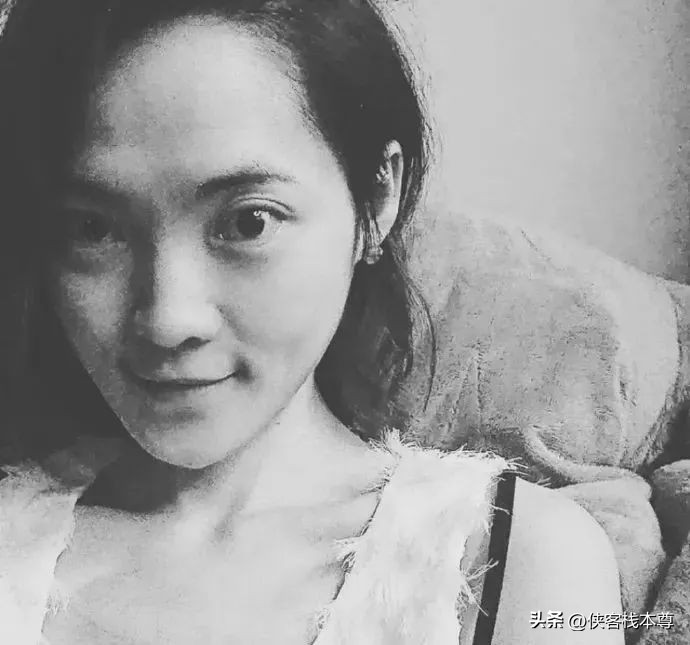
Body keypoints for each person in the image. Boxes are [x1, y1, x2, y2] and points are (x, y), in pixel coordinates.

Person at [0, 1, 623, 643]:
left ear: (376, 199)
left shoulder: (524, 562)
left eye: (249, 221)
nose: (167, 319)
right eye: (92, 228)